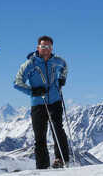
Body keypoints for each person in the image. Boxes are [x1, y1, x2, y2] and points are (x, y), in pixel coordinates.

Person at [14, 36, 69, 169]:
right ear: (38, 47)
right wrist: (33, 91)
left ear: (52, 48)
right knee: (40, 135)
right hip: (38, 103)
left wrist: (62, 80)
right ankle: (42, 166)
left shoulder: (58, 61)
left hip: (55, 100)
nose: (46, 49)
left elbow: (65, 68)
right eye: (43, 46)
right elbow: (17, 82)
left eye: (49, 47)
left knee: (58, 129)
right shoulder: (30, 64)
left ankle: (61, 160)